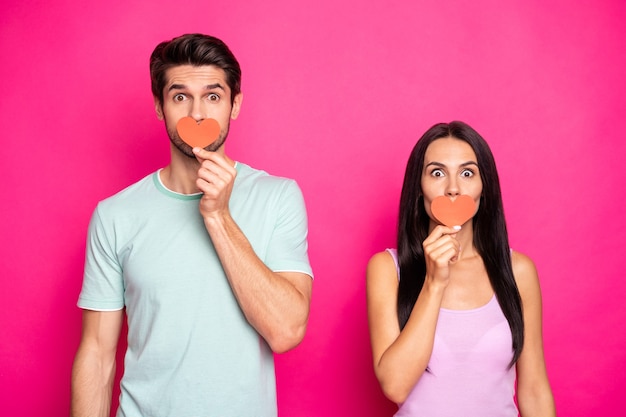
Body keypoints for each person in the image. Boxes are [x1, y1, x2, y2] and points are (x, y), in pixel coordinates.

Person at [71, 33, 313, 417]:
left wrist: (218, 215)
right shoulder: (114, 215)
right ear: (159, 106)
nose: (197, 113)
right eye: (180, 96)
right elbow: (97, 355)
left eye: (213, 96)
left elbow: (285, 331)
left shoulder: (278, 197)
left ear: (235, 105)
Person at [366, 121, 555, 416]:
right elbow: (395, 385)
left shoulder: (518, 271)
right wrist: (434, 282)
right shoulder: (388, 269)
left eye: (467, 173)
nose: (453, 188)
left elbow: (534, 388)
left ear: (484, 188)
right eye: (437, 173)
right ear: (419, 187)